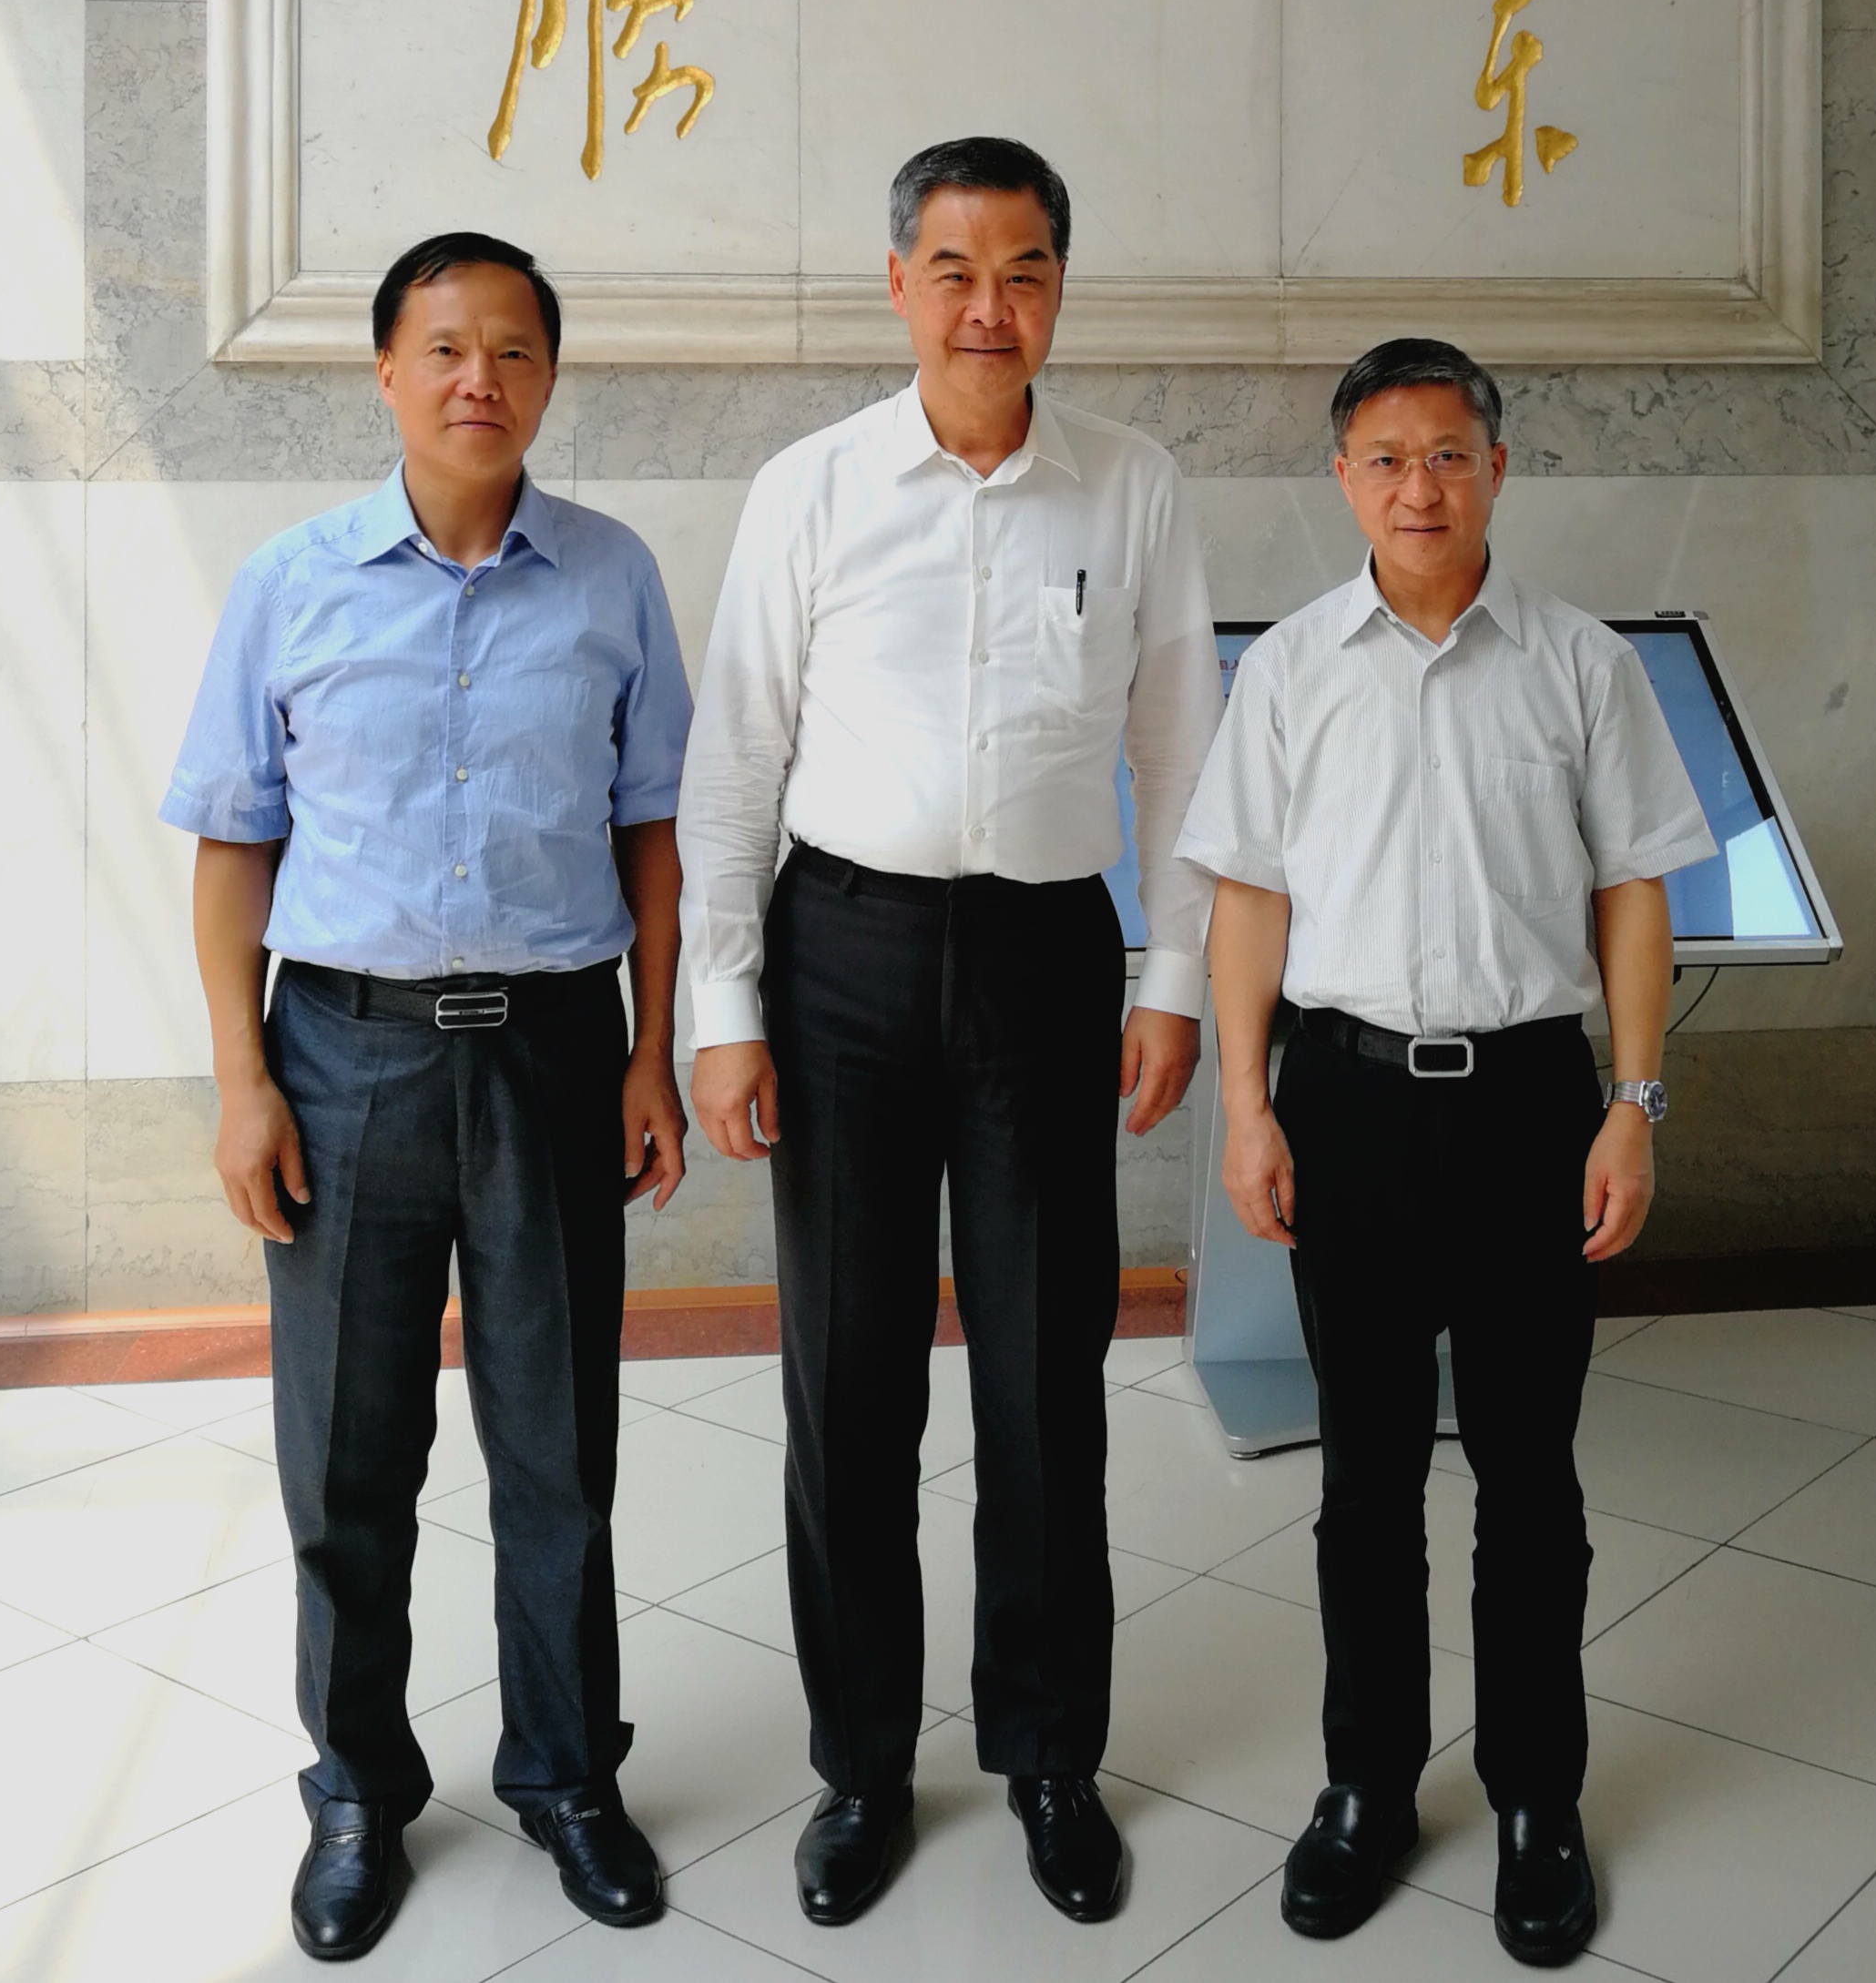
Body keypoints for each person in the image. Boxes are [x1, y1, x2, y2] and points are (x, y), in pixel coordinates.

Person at [677, 137, 1223, 1929]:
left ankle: (1049, 1754)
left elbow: (1179, 755)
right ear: (898, 281)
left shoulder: (1131, 485)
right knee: (847, 1381)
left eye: (1026, 271)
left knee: (1045, 1371)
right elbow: (735, 755)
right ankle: (858, 1766)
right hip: (840, 951)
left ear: (1061, 286)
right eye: (956, 270)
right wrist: (722, 1011)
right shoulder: (813, 486)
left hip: (1046, 959)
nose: (991, 308)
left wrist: (1168, 983)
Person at [163, 231, 694, 1961]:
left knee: (558, 1444)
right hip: (345, 1052)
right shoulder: (292, 582)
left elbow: (652, 832)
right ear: (387, 370)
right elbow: (234, 844)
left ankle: (565, 1773)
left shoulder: (610, 577)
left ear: (549, 376)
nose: (482, 377)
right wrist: (242, 1078)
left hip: (552, 1049)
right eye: (447, 346)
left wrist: (649, 1051)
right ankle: (356, 1790)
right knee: (345, 1454)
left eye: (515, 348)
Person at [1177, 335, 1714, 1968]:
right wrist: (1248, 1104)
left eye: (1448, 455)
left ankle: (1538, 1795)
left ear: (1496, 469)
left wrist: (1632, 1104)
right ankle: (1366, 1784)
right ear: (1342, 477)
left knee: (1530, 1476)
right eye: (1386, 458)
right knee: (1362, 1477)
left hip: (1530, 1105)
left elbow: (1632, 890)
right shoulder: (1288, 669)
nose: (1419, 486)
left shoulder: (1578, 664)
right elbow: (1247, 896)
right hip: (1344, 1100)